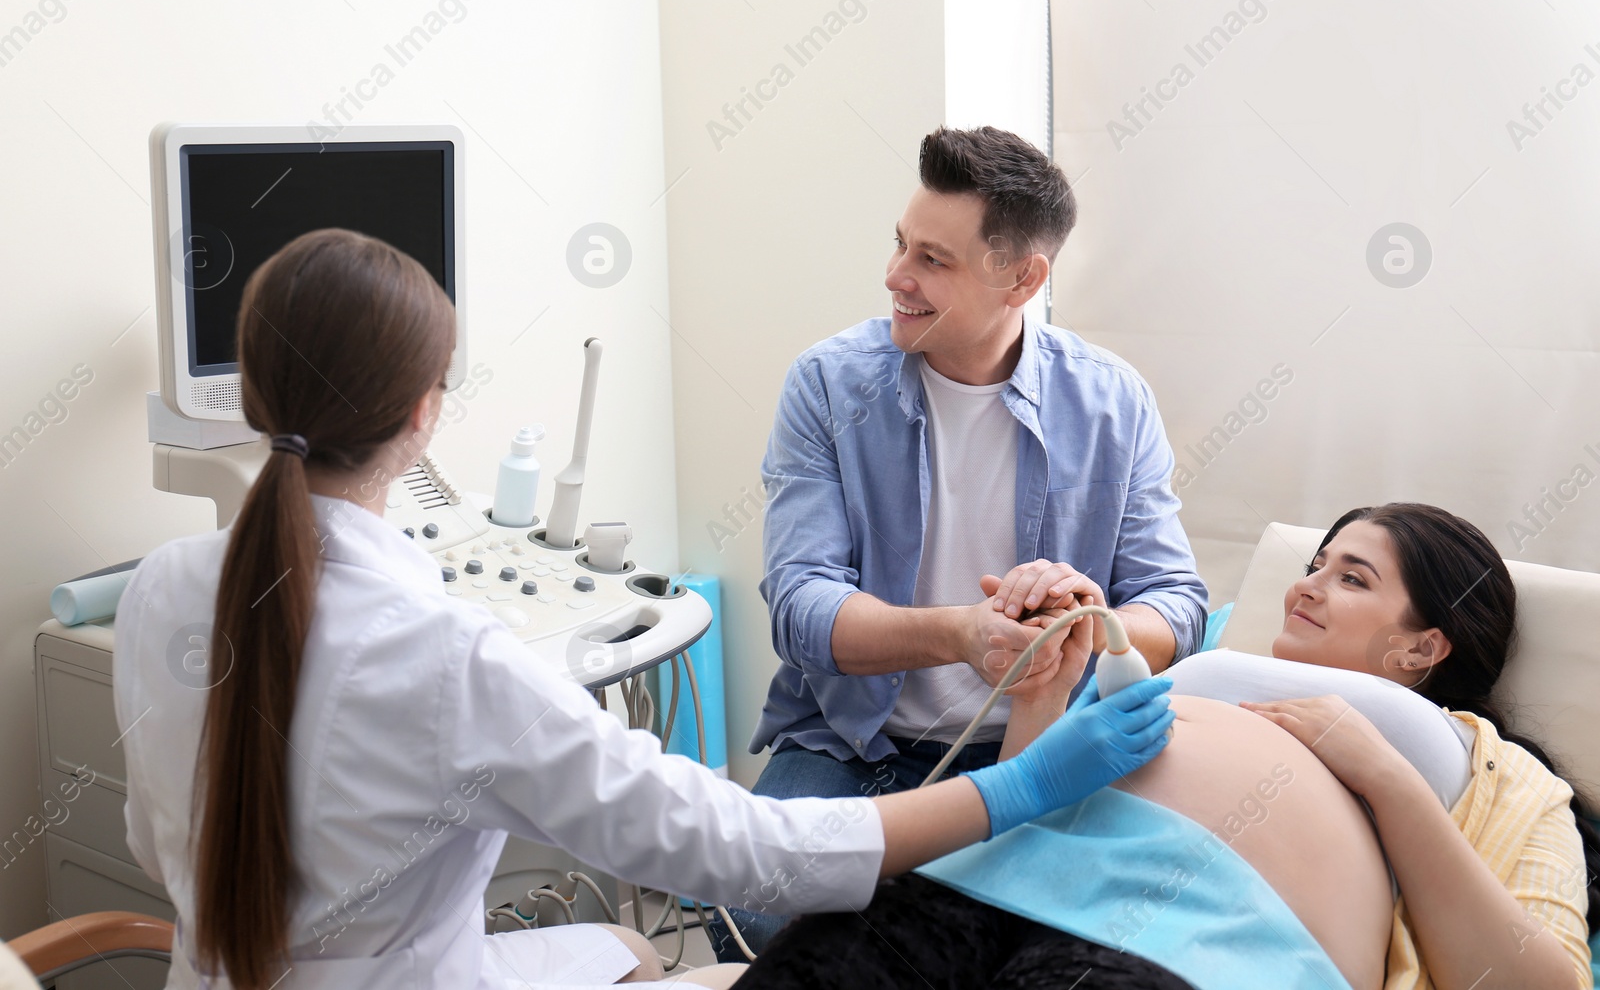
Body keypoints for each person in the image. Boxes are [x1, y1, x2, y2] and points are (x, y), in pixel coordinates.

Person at [110, 228, 1178, 990]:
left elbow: (158, 840)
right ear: (426, 412)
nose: (901, 276)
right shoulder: (450, 659)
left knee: (625, 948)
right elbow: (748, 849)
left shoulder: (161, 585)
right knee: (713, 958)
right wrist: (1024, 782)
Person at [739, 504, 1599, 989]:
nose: (1307, 583)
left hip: (1198, 942)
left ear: (1426, 647)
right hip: (994, 887)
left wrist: (1380, 772)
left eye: (1352, 577)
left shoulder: (1499, 773)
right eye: (1319, 561)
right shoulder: (1193, 669)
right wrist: (1043, 693)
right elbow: (1021, 807)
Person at [715, 126, 1208, 960]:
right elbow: (801, 611)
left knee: (1063, 951)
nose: (895, 276)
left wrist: (1087, 622)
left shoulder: (1112, 403)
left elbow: (1180, 607)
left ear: (1023, 277)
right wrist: (962, 634)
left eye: (932, 261)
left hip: (1045, 745)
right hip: (851, 743)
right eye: (901, 245)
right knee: (767, 918)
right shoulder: (829, 385)